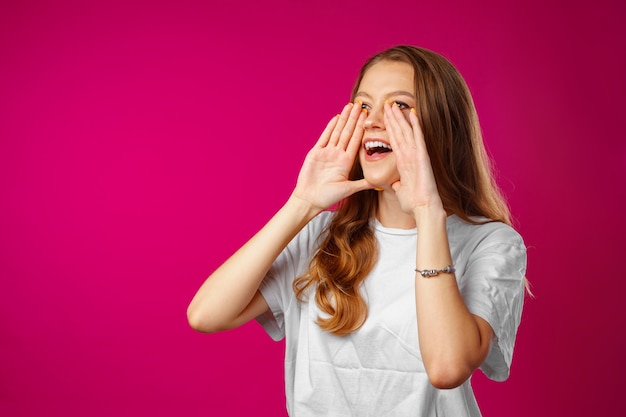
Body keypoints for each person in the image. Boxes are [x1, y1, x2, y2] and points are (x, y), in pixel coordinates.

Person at [187, 45, 527, 417]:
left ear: (442, 126)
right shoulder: (320, 235)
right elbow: (206, 315)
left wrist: (429, 213)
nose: (371, 121)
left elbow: (447, 368)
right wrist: (303, 203)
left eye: (398, 106)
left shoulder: (491, 244)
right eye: (364, 106)